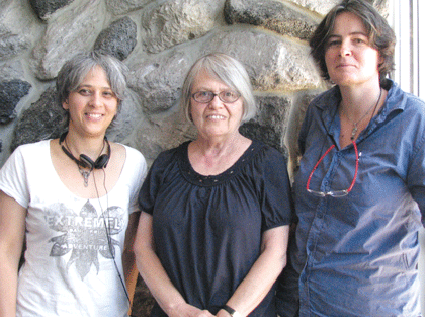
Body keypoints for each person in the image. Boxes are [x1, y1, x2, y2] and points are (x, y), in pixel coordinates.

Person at [276, 0, 425, 316]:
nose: (344, 49)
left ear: (380, 54)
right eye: (334, 41)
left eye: (358, 40)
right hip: (299, 300)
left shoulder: (414, 121)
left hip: (369, 305)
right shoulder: (317, 112)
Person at [135, 52, 293, 317]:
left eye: (228, 94)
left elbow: (275, 252)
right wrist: (178, 309)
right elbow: (143, 247)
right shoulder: (165, 165)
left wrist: (230, 313)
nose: (216, 104)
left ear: (243, 103)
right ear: (189, 104)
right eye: (203, 94)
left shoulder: (267, 164)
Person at [0, 51, 147, 316]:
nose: (96, 103)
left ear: (116, 104)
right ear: (66, 99)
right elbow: (5, 251)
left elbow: (131, 250)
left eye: (107, 94)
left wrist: (125, 308)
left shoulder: (134, 164)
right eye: (84, 91)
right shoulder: (26, 160)